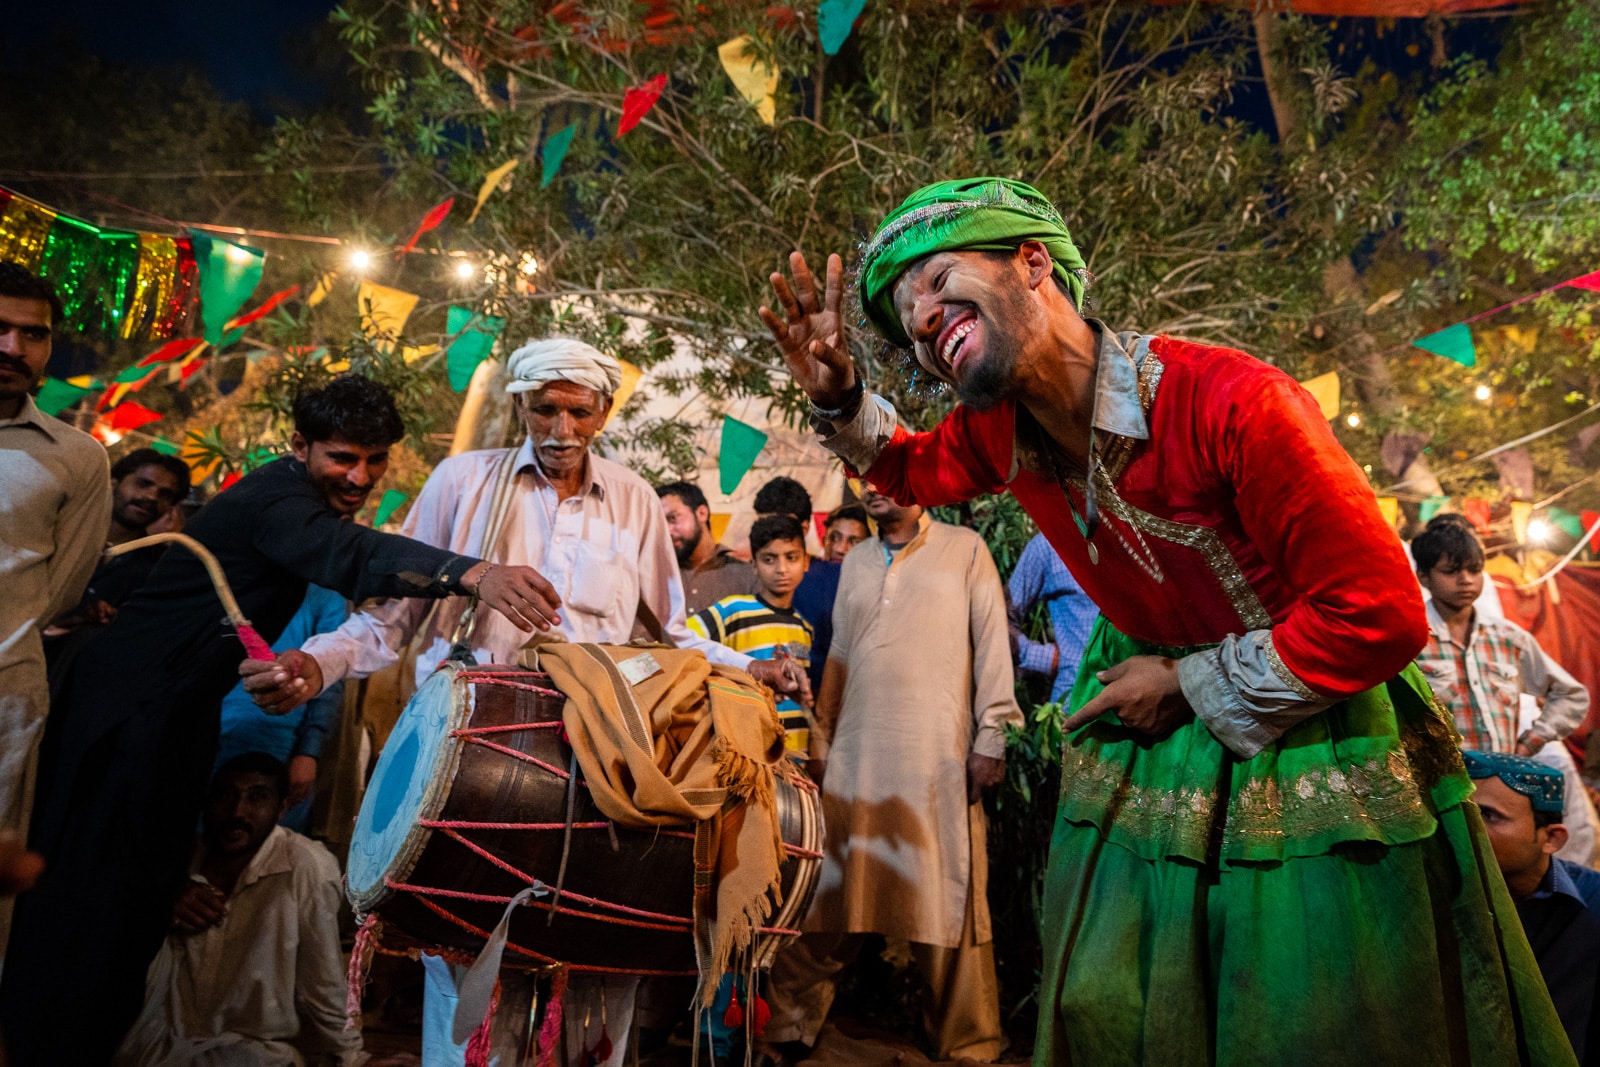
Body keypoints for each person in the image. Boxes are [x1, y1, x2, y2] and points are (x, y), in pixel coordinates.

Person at [758, 177, 1573, 1063]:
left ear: (1034, 263)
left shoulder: (1234, 402)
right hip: (1144, 758)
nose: (919, 321)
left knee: (1306, 1021)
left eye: (937, 279)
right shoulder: (1001, 432)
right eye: (905, 319)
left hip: (1314, 740)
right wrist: (838, 396)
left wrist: (1185, 683)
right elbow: (910, 469)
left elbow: (1378, 612)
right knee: (1117, 1005)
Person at [243, 337, 807, 1067]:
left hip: (601, 761)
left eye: (578, 411)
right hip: (475, 766)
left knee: (599, 972)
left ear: (603, 411)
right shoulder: (461, 481)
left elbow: (665, 630)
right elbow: (394, 616)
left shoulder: (635, 497)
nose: (561, 429)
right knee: (469, 976)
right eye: (544, 409)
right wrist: (316, 663)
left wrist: (754, 667)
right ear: (519, 406)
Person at [1, 375, 555, 1066]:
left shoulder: (302, 502)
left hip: (175, 718)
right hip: (125, 717)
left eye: (374, 459)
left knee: (135, 909)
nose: (360, 475)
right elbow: (352, 554)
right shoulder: (277, 500)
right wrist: (474, 574)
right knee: (86, 907)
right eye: (343, 457)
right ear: (300, 445)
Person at [760, 489, 1020, 1064]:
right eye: (860, 475)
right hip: (856, 754)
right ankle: (784, 1025)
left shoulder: (966, 549)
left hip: (939, 759)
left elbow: (993, 648)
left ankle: (969, 1046)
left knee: (947, 897)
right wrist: (823, 739)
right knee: (830, 895)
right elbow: (843, 654)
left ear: (917, 479)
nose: (871, 488)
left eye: (884, 472)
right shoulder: (854, 561)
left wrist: (992, 735)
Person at [113, 753, 369, 1067]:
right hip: (155, 1047)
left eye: (257, 798)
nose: (238, 812)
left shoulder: (305, 865)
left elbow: (324, 977)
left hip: (250, 1054)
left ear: (282, 809)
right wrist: (163, 901)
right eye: (225, 796)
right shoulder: (179, 864)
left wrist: (352, 1056)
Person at [0, 261, 110, 961]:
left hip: (6, 698)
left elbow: (64, 588)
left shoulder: (76, 458)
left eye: (31, 334)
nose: (13, 347)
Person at [1412, 514, 1595, 862]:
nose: (1465, 580)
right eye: (1451, 571)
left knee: (1505, 881)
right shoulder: (1413, 640)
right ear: (1424, 576)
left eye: (1474, 570)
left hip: (1501, 796)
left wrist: (1527, 745)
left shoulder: (1508, 638)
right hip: (1438, 793)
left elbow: (1571, 696)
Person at [1466, 750, 1600, 1063]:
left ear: (1551, 838)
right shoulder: (1438, 902)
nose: (1468, 828)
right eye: (1462, 813)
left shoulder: (1592, 908)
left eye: (1489, 816)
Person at [43, 448, 191, 690]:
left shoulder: (158, 568)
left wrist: (108, 618)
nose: (151, 497)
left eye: (165, 494)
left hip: (71, 683)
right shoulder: (62, 532)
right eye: (143, 484)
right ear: (114, 482)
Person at [214, 585, 349, 832]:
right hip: (212, 733)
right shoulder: (230, 577)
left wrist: (308, 752)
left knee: (267, 835)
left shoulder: (324, 593)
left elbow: (329, 679)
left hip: (281, 741)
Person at [688, 514, 814, 761]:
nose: (781, 569)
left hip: (796, 751)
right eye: (769, 559)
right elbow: (684, 639)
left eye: (791, 557)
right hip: (748, 749)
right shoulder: (734, 611)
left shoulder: (805, 627)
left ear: (805, 562)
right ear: (754, 565)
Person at [755, 476, 837, 693]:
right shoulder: (747, 576)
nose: (770, 534)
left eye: (779, 526)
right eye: (762, 526)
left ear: (805, 527)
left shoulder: (835, 579)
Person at [1008, 530, 1098, 703]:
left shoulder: (1136, 543)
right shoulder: (1049, 545)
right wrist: (1046, 658)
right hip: (1073, 704)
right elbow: (998, 616)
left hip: (1138, 709)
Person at [658, 479, 756, 614]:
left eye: (672, 518)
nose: (667, 531)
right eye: (661, 523)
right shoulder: (657, 578)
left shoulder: (746, 575)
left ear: (702, 513)